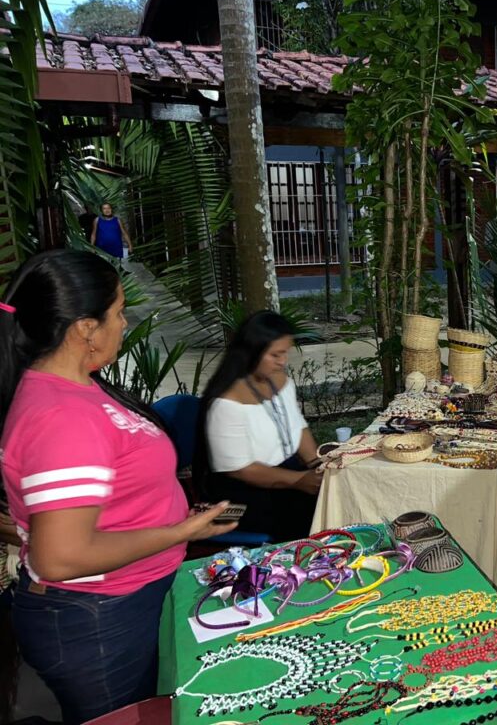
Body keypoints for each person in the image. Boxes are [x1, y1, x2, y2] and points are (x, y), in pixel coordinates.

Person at [0, 250, 234, 724]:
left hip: (124, 600)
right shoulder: (61, 415)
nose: (124, 323)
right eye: (119, 311)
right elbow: (59, 557)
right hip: (97, 615)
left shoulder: (77, 387)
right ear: (86, 328)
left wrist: (176, 521)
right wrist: (179, 531)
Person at [195, 311, 323, 542]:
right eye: (275, 354)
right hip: (243, 492)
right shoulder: (226, 402)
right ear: (252, 352)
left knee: (333, 493)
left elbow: (298, 426)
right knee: (310, 512)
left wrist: (319, 465)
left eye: (285, 353)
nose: (283, 361)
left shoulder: (280, 379)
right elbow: (240, 470)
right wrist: (299, 480)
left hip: (287, 473)